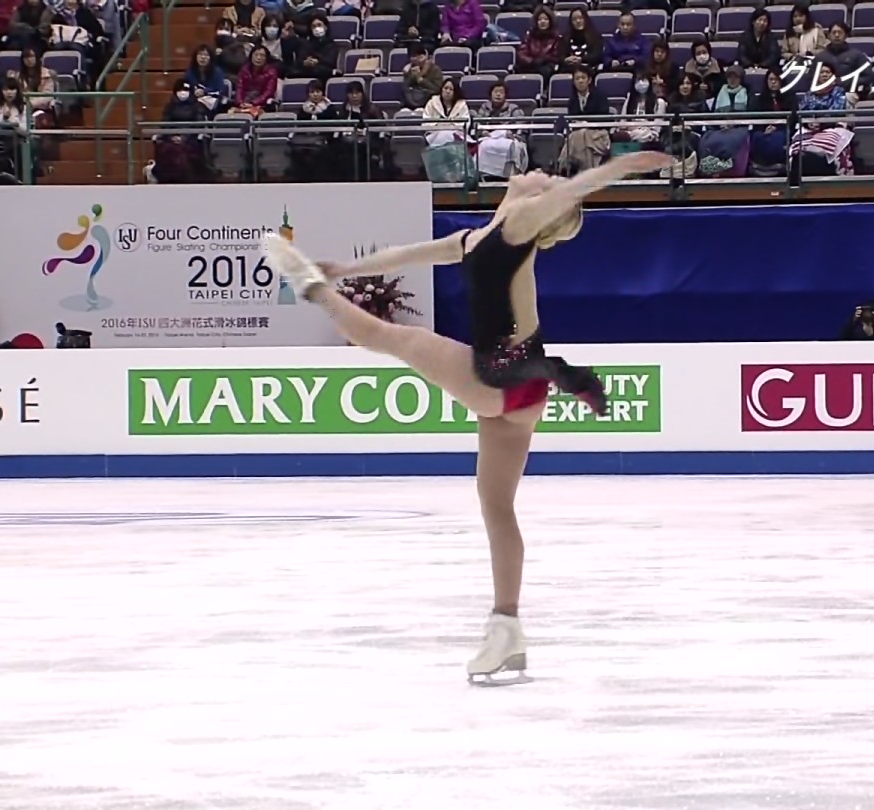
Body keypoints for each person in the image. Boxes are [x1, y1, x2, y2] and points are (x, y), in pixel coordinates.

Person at [264, 151, 675, 685]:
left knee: (393, 338)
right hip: (523, 390)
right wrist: (348, 268)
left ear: (544, 208)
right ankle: (507, 628)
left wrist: (627, 165)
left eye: (549, 180)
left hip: (501, 376)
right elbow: (406, 254)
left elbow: (573, 190)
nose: (544, 174)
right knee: (497, 507)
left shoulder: (522, 223)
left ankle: (310, 288)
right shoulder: (477, 238)